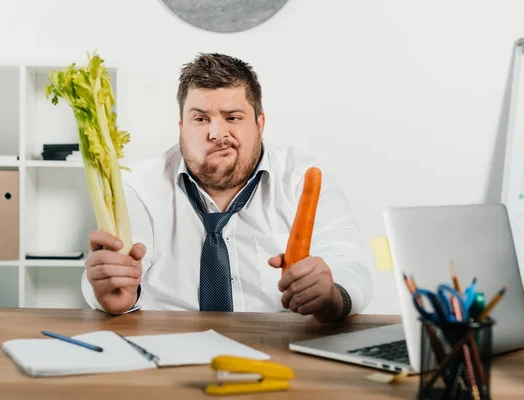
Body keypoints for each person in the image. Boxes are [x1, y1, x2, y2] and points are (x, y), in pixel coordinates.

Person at [81, 53, 375, 322]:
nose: (216, 133)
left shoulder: (302, 179)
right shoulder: (138, 186)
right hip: (168, 350)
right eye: (200, 119)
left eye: (232, 117)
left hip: (278, 349)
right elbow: (119, 270)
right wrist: (110, 292)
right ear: (181, 125)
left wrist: (334, 294)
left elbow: (351, 262)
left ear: (260, 123)